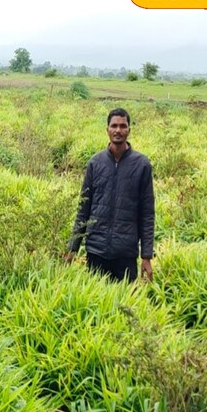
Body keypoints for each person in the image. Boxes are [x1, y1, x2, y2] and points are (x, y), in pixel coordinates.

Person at [65, 107, 154, 282]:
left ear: (129, 130)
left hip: (125, 253)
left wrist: (146, 256)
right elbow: (83, 209)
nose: (118, 130)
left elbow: (147, 214)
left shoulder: (142, 165)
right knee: (96, 304)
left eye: (123, 126)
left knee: (125, 304)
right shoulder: (95, 163)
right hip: (96, 251)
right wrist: (72, 248)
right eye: (114, 126)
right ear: (107, 130)